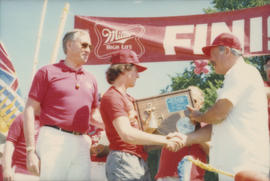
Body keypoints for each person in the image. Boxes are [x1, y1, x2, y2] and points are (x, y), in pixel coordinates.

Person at [170, 33, 269, 180]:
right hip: (236, 165)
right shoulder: (237, 75)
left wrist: (199, 116)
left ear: (227, 51)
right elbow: (218, 124)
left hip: (245, 164)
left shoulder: (240, 71)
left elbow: (218, 114)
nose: (210, 60)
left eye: (212, 53)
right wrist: (186, 138)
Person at [23, 29, 102, 180]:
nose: (88, 50)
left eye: (90, 47)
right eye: (84, 45)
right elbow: (29, 109)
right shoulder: (46, 72)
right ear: (69, 45)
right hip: (53, 138)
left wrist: (115, 125)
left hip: (82, 143)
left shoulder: (91, 79)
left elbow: (93, 115)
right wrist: (30, 150)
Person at [100, 49, 183, 181]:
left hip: (137, 159)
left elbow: (143, 138)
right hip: (124, 160)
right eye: (136, 70)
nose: (138, 75)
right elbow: (127, 134)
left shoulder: (129, 98)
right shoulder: (112, 97)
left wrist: (170, 135)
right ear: (124, 69)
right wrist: (165, 140)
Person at [155, 86, 208, 181]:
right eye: (186, 100)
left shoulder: (206, 124)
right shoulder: (171, 119)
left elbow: (211, 151)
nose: (189, 104)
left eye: (194, 101)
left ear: (201, 104)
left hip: (192, 178)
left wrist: (197, 128)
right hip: (166, 176)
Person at [2, 113, 40, 181]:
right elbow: (10, 143)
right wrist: (7, 168)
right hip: (17, 172)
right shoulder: (23, 117)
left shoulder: (51, 128)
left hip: (38, 176)